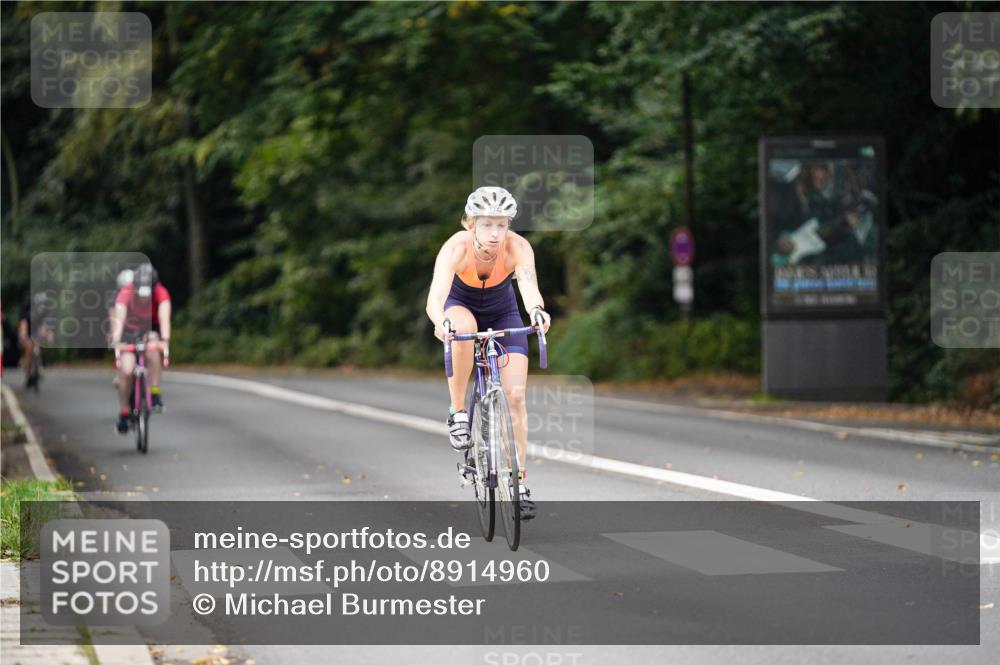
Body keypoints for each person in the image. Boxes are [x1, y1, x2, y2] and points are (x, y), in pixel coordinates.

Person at [425, 186, 551, 520]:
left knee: (516, 397)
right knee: (461, 327)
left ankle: (519, 481)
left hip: (503, 314)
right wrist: (442, 323)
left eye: (502, 224)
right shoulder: (456, 247)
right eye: (487, 225)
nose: (495, 233)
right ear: (471, 224)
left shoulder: (518, 247)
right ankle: (458, 414)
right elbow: (436, 297)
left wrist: (537, 311)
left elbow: (527, 285)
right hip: (460, 307)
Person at [109, 263, 171, 434]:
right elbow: (119, 317)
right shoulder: (126, 292)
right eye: (140, 293)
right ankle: (123, 412)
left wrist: (165, 340)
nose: (144, 297)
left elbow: (164, 316)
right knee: (127, 371)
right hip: (129, 329)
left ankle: (155, 393)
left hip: (150, 327)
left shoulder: (160, 292)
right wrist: (116, 340)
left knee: (153, 348)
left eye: (147, 293)